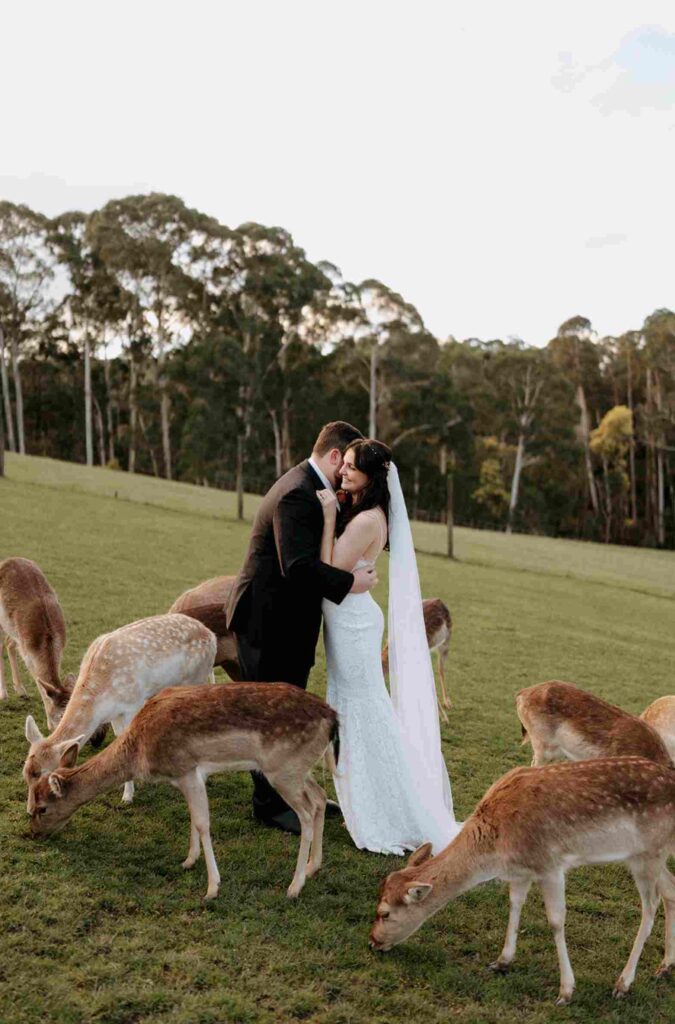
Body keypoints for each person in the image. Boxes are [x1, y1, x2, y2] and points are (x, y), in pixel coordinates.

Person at [226, 421, 378, 833]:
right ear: (333, 456)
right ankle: (268, 806)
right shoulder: (297, 492)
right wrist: (350, 583)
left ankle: (285, 792)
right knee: (267, 714)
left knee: (282, 710)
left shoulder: (312, 487)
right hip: (267, 621)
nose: (345, 473)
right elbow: (296, 567)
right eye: (345, 463)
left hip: (284, 620)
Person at [316, 438, 460, 855]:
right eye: (341, 464)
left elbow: (331, 569)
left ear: (371, 476)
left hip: (353, 622)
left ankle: (389, 808)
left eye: (350, 467)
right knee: (359, 708)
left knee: (363, 711)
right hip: (352, 615)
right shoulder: (365, 511)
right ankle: (369, 796)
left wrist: (328, 516)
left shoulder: (365, 521)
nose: (342, 472)